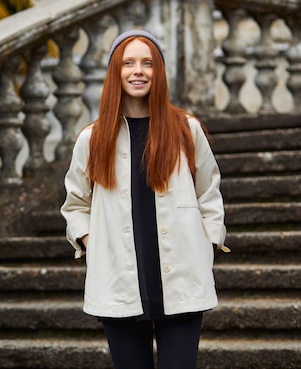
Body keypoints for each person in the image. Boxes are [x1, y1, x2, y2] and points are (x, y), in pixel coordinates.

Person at [60, 30, 228, 369]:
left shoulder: (186, 129)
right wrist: (92, 241)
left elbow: (208, 193)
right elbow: (76, 203)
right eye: (128, 63)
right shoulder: (92, 139)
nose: (138, 71)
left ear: (159, 71)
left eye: (147, 63)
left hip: (181, 279)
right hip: (117, 281)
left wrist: (207, 243)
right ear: (115, 73)